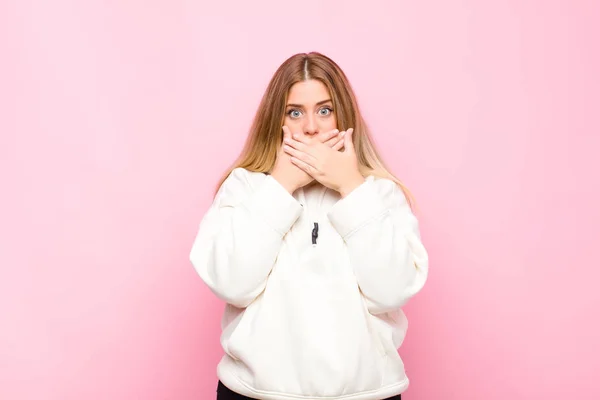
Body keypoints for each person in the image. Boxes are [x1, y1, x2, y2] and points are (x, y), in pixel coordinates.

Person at [189, 52, 429, 400]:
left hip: (366, 394)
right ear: (277, 119)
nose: (311, 127)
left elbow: (392, 290)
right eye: (295, 112)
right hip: (255, 394)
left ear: (343, 116)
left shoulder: (380, 193)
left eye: (325, 110)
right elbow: (232, 283)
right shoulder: (244, 187)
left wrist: (351, 187)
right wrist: (280, 184)